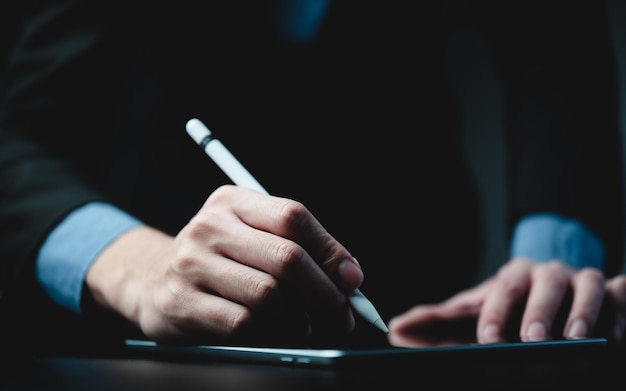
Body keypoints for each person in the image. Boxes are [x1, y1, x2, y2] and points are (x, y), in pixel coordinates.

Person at [0, 0, 623, 353]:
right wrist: (138, 270)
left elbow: (554, 44)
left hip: (417, 256)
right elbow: (16, 139)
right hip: (180, 294)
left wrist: (551, 267)